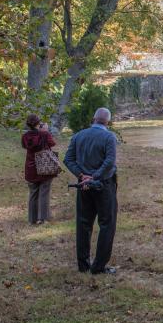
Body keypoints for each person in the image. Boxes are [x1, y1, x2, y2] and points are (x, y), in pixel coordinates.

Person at [63, 108, 118, 274]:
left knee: (83, 223)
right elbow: (109, 161)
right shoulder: (109, 137)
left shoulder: (78, 135)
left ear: (93, 119)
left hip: (84, 185)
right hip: (103, 185)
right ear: (107, 121)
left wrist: (82, 175)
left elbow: (68, 159)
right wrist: (94, 177)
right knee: (107, 224)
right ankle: (98, 267)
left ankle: (83, 265)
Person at [22, 114, 57, 225]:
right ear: (38, 123)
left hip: (31, 167)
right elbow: (52, 143)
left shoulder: (25, 136)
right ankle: (42, 218)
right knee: (44, 193)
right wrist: (45, 130)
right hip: (45, 165)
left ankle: (32, 219)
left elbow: (24, 146)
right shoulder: (44, 134)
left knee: (33, 193)